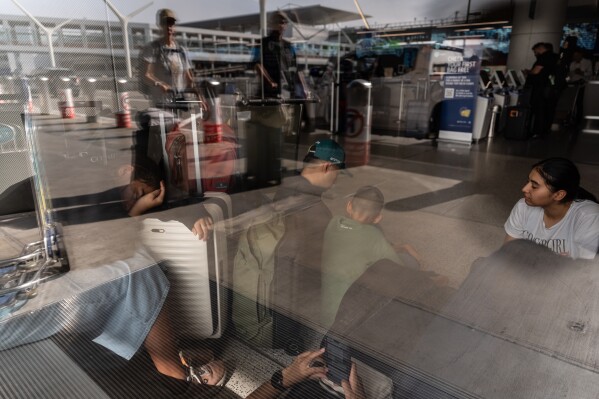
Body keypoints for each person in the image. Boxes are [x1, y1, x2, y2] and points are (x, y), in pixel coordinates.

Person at [272, 138, 346, 354]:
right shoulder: (317, 211)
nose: (336, 179)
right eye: (337, 172)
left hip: (277, 294)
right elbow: (319, 263)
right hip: (291, 305)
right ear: (327, 167)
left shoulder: (286, 187)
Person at [320, 186, 423, 328]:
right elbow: (399, 271)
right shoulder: (374, 237)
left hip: (325, 311)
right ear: (378, 218)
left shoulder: (334, 222)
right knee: (410, 262)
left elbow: (357, 244)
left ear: (349, 206)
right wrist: (412, 256)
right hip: (346, 317)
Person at [504, 157, 599, 260]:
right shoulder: (523, 207)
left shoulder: (589, 217)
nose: (524, 189)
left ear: (558, 195)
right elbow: (508, 254)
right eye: (528, 182)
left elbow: (581, 271)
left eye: (534, 186)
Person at [142, 9, 197, 104]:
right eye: (165, 23)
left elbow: (188, 79)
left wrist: (199, 96)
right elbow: (146, 74)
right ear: (160, 25)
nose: (168, 27)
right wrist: (160, 84)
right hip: (161, 102)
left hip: (178, 101)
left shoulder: (181, 50)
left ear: (174, 26)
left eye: (171, 23)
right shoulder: (153, 48)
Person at [252, 11, 307, 99]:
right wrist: (270, 82)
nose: (281, 25)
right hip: (268, 94)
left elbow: (297, 69)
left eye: (283, 22)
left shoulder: (289, 46)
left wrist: (304, 89)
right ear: (272, 24)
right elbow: (257, 64)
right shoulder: (262, 43)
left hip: (287, 93)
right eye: (278, 22)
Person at [524, 42, 559, 139]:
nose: (535, 54)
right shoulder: (556, 57)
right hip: (552, 87)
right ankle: (545, 130)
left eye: (535, 51)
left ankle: (537, 131)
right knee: (549, 109)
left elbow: (536, 71)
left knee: (539, 109)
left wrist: (528, 72)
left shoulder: (544, 57)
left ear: (540, 48)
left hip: (541, 87)